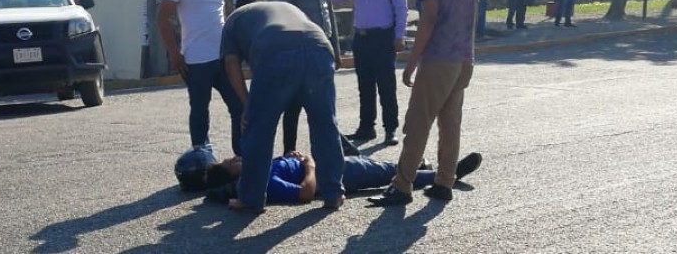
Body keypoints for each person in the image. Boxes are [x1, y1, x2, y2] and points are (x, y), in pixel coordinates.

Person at [368, 0, 480, 206]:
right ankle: (444, 182)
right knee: (450, 123)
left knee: (418, 122)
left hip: (439, 58)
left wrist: (411, 62)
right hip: (464, 58)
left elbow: (428, 19)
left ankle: (402, 186)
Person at [220, 0, 345, 212]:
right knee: (325, 124)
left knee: (259, 128)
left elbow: (231, 66)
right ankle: (333, 193)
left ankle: (251, 199)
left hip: (276, 51)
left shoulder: (233, 19)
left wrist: (247, 106)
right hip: (320, 47)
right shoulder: (286, 5)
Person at [157, 0, 243, 155]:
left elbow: (222, 9)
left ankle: (243, 156)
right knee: (200, 110)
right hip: (196, 58)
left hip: (224, 55)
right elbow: (162, 19)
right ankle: (202, 159)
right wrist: (174, 53)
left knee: (239, 105)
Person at [272, 0, 342, 155]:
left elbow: (327, 7)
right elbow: (281, 12)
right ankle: (289, 154)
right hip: (299, 49)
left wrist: (336, 48)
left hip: (323, 47)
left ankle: (324, 154)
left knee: (324, 106)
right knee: (293, 105)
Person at [332, 0, 408, 146]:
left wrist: (399, 36)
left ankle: (390, 129)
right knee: (364, 87)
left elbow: (401, 9)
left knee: (386, 87)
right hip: (361, 39)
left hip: (383, 39)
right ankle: (366, 128)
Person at [202, 150, 483, 205]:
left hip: (331, 164)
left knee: (379, 165)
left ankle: (425, 167)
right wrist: (309, 165)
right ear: (233, 176)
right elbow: (305, 193)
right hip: (331, 173)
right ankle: (447, 173)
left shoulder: (256, 173)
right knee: (391, 174)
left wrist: (290, 156)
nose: (237, 158)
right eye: (232, 162)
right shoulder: (260, 182)